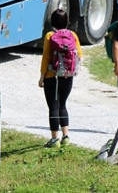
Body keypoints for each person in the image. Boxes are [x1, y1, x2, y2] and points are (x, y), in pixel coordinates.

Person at [38, 8, 82, 148]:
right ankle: (66, 136)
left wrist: (42, 76)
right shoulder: (73, 35)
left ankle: (54, 139)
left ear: (52, 21)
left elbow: (46, 57)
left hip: (53, 76)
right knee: (63, 104)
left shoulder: (50, 36)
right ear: (67, 22)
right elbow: (79, 54)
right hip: (68, 75)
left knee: (53, 107)